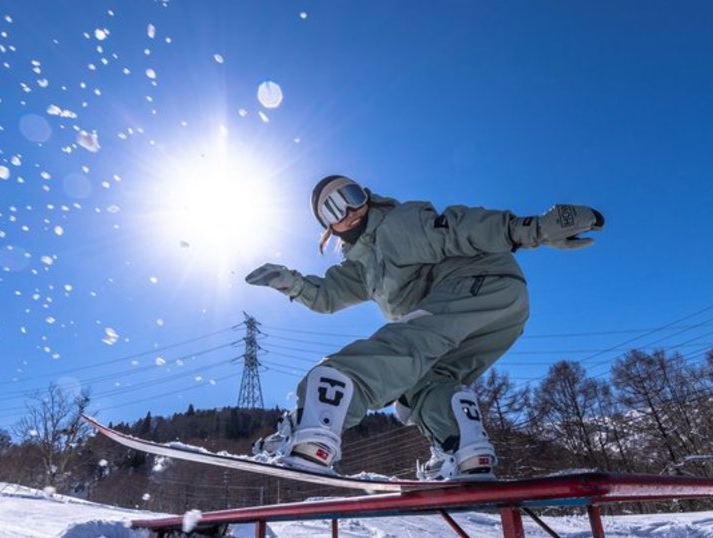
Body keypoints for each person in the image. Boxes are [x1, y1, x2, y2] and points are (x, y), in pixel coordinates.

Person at [246, 175, 603, 480]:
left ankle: (318, 425)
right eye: (333, 208)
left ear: (366, 195)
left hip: (478, 281)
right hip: (503, 312)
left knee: (404, 346)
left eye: (352, 195)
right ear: (329, 227)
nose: (349, 210)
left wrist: (533, 229)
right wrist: (291, 283)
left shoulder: (397, 224)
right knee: (426, 382)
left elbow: (460, 228)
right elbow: (327, 295)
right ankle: (464, 450)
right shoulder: (361, 269)